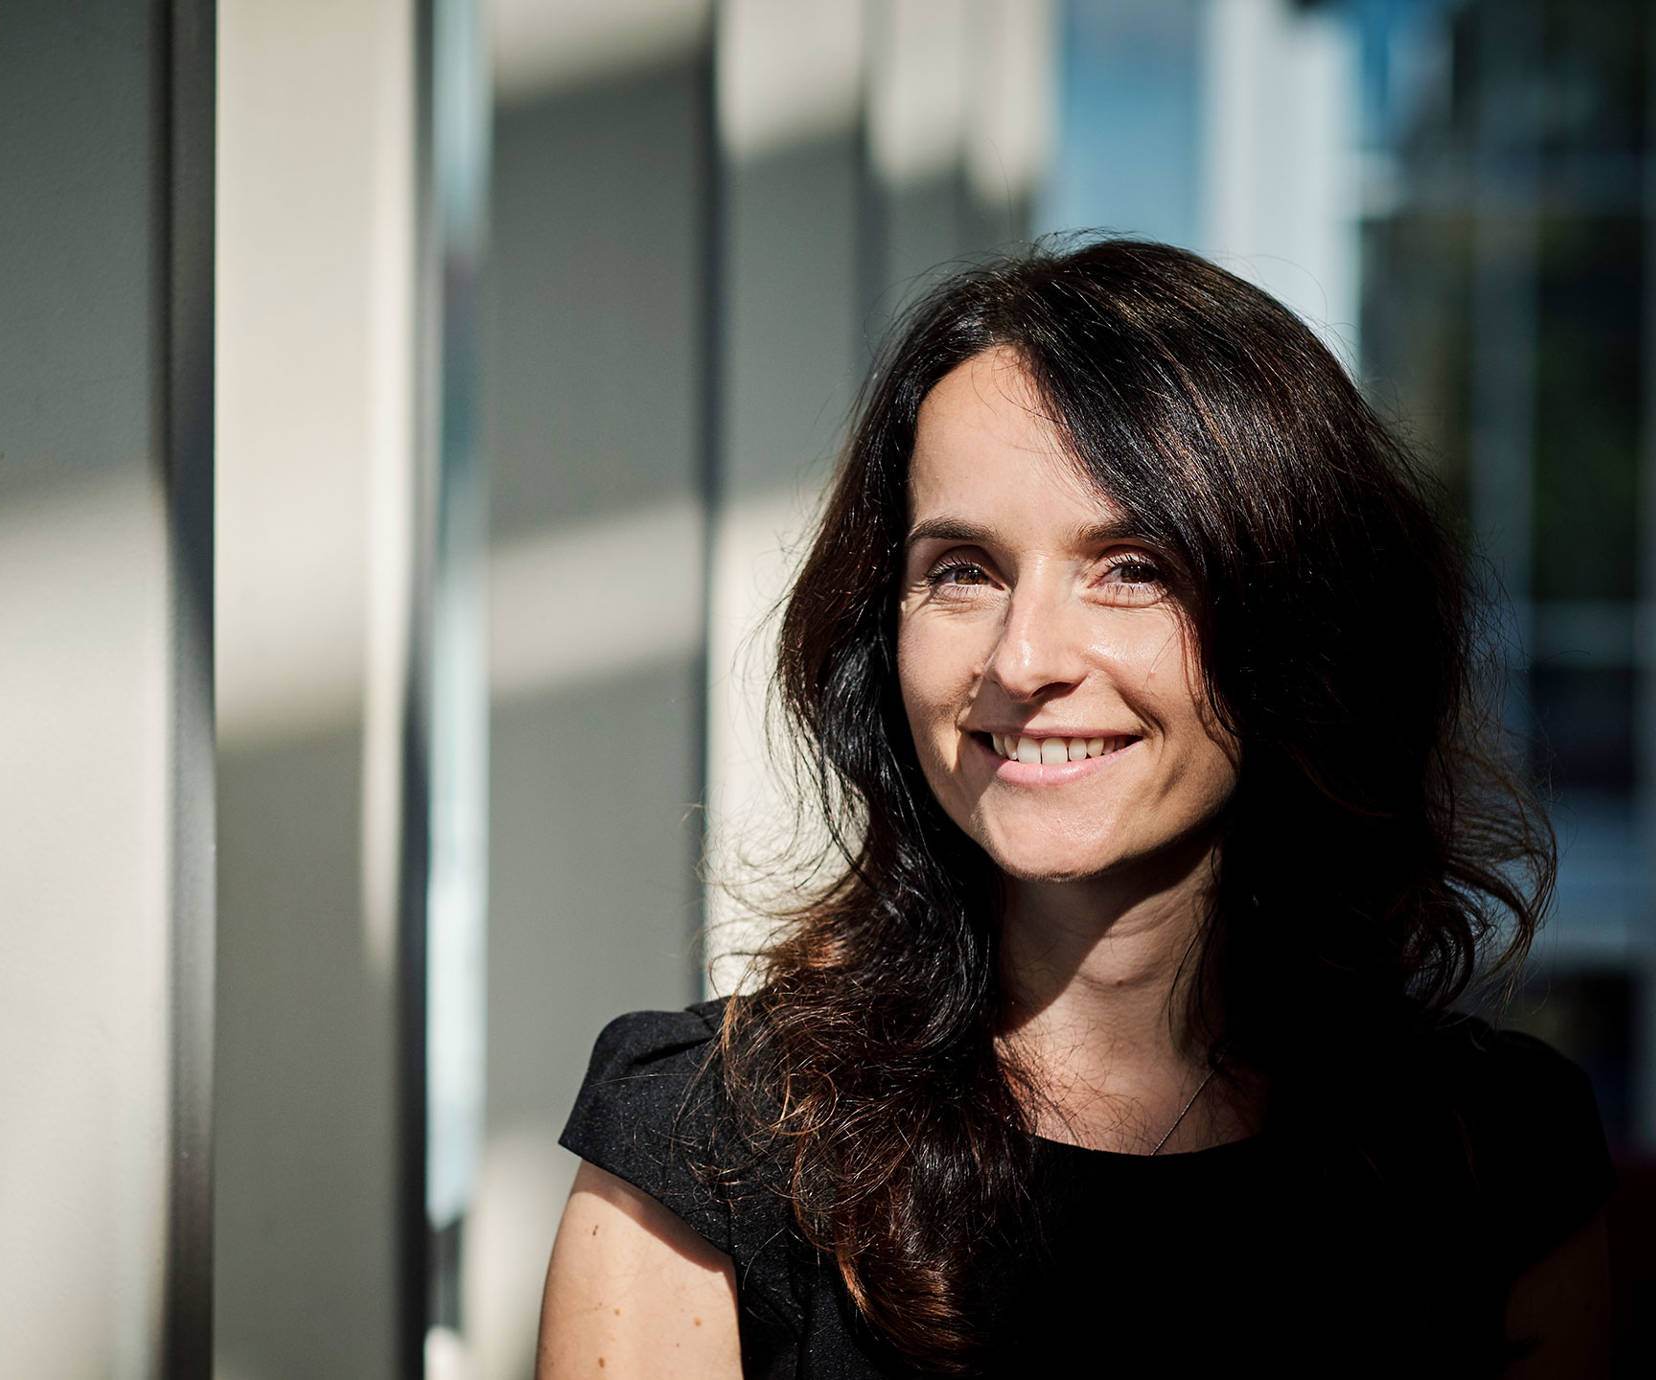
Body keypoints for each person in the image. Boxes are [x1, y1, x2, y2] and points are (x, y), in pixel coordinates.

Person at [535, 238, 1616, 1378]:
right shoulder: (702, 1150)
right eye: (964, 571)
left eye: (1134, 567)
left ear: (1301, 625)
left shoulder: (1498, 1163)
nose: (1025, 656)